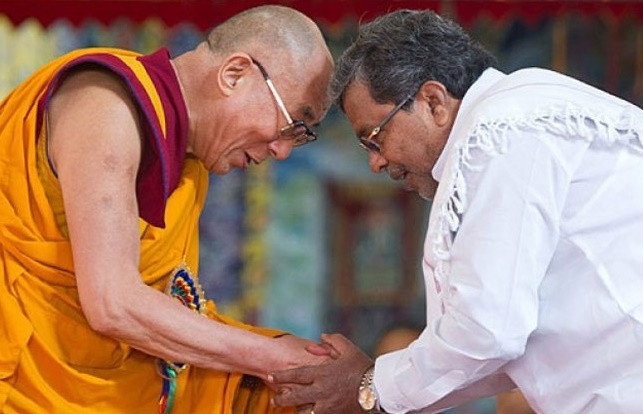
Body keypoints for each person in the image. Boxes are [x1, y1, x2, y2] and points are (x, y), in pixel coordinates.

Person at [269, 9, 643, 414]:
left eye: (374, 138)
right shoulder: (521, 110)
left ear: (433, 101)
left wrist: (370, 386)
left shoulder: (500, 132)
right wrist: (376, 386)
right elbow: (494, 349)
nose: (375, 163)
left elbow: (488, 330)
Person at [0, 5, 334, 413]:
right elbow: (113, 303)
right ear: (234, 74)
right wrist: (274, 358)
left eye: (301, 137)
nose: (282, 150)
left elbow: (168, 309)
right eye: (292, 124)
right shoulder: (106, 105)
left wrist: (291, 355)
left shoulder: (189, 164)